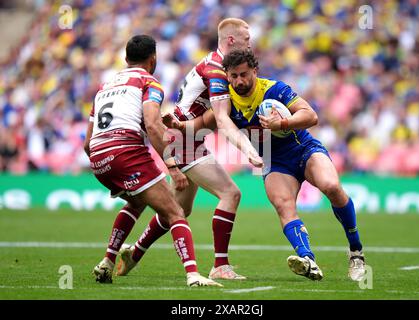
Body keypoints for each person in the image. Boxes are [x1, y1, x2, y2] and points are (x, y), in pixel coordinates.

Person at [177, 49, 366, 281]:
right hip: (274, 161)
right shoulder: (225, 103)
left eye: (244, 74)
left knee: (332, 187)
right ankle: (308, 260)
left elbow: (311, 115)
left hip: (303, 149)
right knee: (284, 206)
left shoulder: (274, 89)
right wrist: (176, 125)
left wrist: (283, 122)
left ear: (255, 71)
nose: (239, 81)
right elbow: (202, 123)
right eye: (233, 76)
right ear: (227, 75)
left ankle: (356, 252)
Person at [116, 18, 261, 281]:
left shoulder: (219, 64)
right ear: (231, 40)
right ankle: (220, 265)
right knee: (231, 193)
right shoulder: (217, 70)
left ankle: (134, 253)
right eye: (247, 39)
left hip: (185, 135)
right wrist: (248, 149)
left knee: (178, 210)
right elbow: (221, 119)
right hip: (183, 139)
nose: (250, 44)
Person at [83, 34, 222, 287]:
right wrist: (173, 167)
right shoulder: (148, 82)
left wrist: (105, 163)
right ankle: (193, 275)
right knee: (175, 212)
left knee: (136, 202)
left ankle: (107, 261)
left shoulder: (104, 87)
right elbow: (153, 126)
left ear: (126, 59)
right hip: (126, 151)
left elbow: (86, 143)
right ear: (153, 59)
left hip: (98, 158)